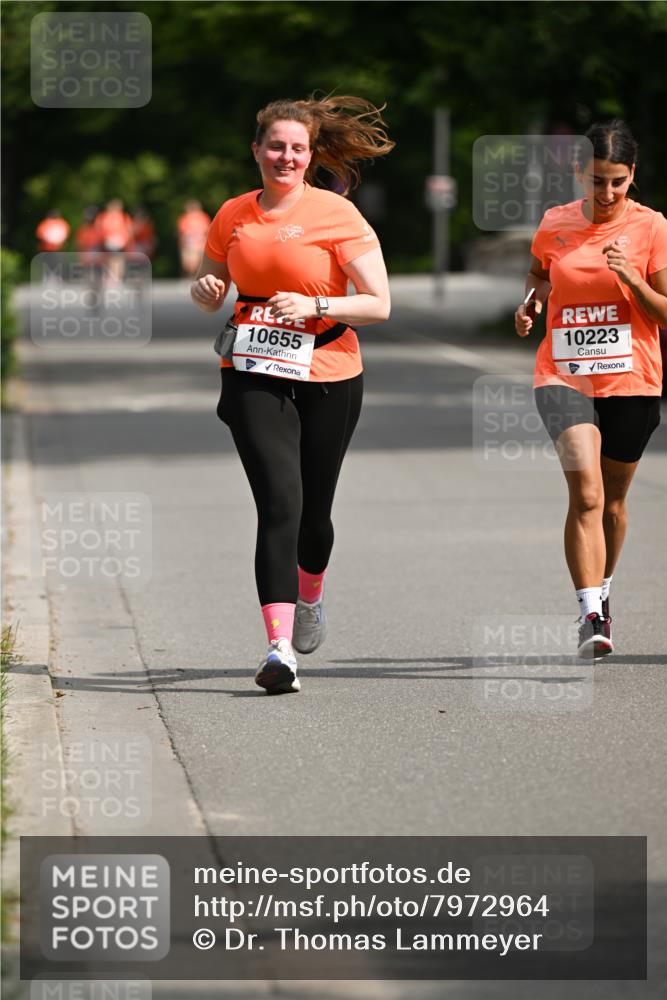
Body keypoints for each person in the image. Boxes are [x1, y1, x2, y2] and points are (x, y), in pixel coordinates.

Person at [191, 95, 394, 693]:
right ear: (256, 151)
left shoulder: (338, 215)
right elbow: (213, 282)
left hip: (330, 372)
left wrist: (317, 304)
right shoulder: (232, 214)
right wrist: (206, 290)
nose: (285, 156)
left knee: (314, 515)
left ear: (311, 156)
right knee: (279, 502)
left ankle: (311, 593)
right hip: (254, 369)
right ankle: (279, 649)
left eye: (297, 149)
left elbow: (379, 304)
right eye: (275, 146)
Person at [515, 120, 667, 658]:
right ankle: (591, 611)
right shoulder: (555, 223)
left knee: (615, 503)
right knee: (587, 494)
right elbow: (540, 274)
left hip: (632, 378)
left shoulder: (652, 227)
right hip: (563, 373)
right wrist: (532, 303)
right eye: (597, 180)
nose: (606, 194)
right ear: (580, 172)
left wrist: (634, 279)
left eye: (617, 183)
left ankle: (604, 587)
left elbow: (665, 312)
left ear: (633, 177)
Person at [178, 200, 211, 277]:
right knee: (199, 264)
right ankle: (197, 277)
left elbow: (182, 235)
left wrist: (181, 245)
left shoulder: (185, 218)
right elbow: (207, 232)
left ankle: (190, 278)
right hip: (200, 244)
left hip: (191, 245)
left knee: (189, 265)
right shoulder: (203, 217)